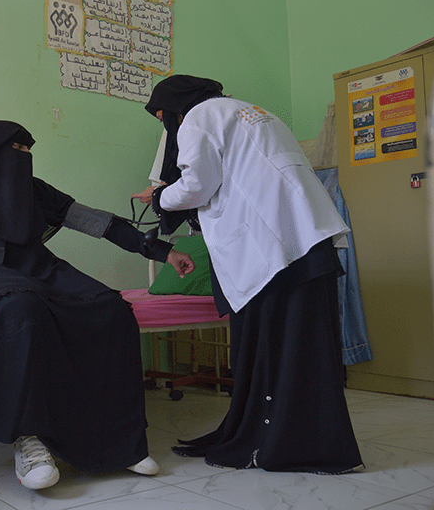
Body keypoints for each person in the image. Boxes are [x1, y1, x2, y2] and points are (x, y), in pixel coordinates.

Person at [0, 120, 196, 490]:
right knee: (23, 309)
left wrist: (163, 251)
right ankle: (27, 437)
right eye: (18, 149)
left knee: (112, 310)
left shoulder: (34, 191)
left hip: (38, 268)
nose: (26, 156)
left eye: (29, 149)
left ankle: (119, 441)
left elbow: (101, 224)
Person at [132, 75, 363, 474]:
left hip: (271, 248)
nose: (166, 128)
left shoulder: (198, 117)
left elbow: (198, 185)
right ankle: (311, 442)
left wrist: (160, 197)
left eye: (162, 119)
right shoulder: (253, 111)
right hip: (308, 238)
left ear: (173, 108)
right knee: (305, 352)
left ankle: (269, 444)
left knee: (267, 350)